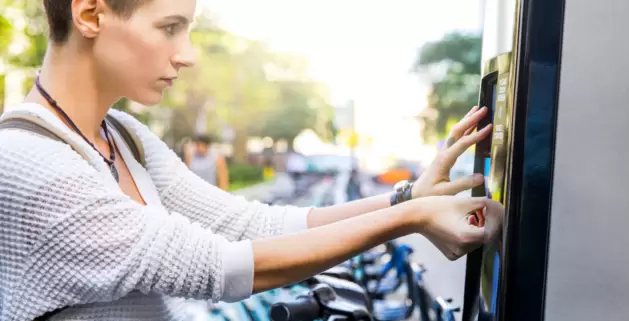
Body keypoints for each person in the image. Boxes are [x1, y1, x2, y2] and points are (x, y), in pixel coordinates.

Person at [0, 1, 499, 320]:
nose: (187, 54)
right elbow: (222, 266)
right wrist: (410, 219)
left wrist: (406, 198)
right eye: (170, 28)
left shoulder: (123, 134)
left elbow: (250, 225)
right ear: (90, 14)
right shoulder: (28, 164)